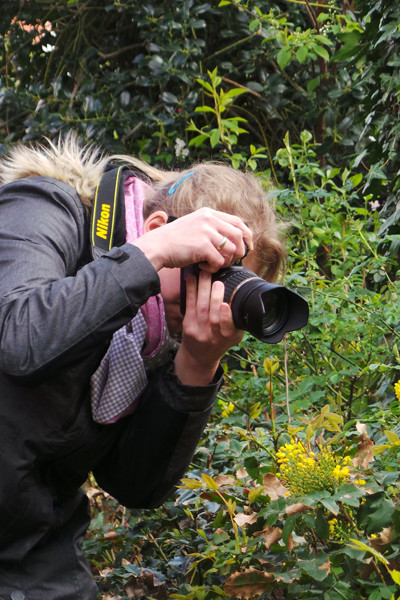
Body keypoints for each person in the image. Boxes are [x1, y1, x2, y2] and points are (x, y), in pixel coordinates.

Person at [0, 133, 286, 599]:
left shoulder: (153, 334)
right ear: (158, 228)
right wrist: (148, 258)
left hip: (33, 548)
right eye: (212, 271)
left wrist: (195, 362)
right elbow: (17, 335)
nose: (210, 298)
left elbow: (132, 484)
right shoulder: (45, 206)